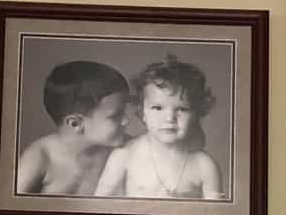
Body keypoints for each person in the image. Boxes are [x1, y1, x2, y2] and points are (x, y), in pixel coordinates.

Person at [95, 56, 224, 200]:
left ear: (197, 114)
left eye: (182, 109)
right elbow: (100, 205)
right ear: (142, 113)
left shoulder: (204, 166)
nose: (169, 118)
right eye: (157, 108)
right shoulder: (124, 155)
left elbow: (216, 211)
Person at [14, 60, 131, 195]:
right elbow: (8, 204)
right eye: (115, 116)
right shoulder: (41, 156)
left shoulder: (128, 149)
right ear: (76, 124)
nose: (126, 121)